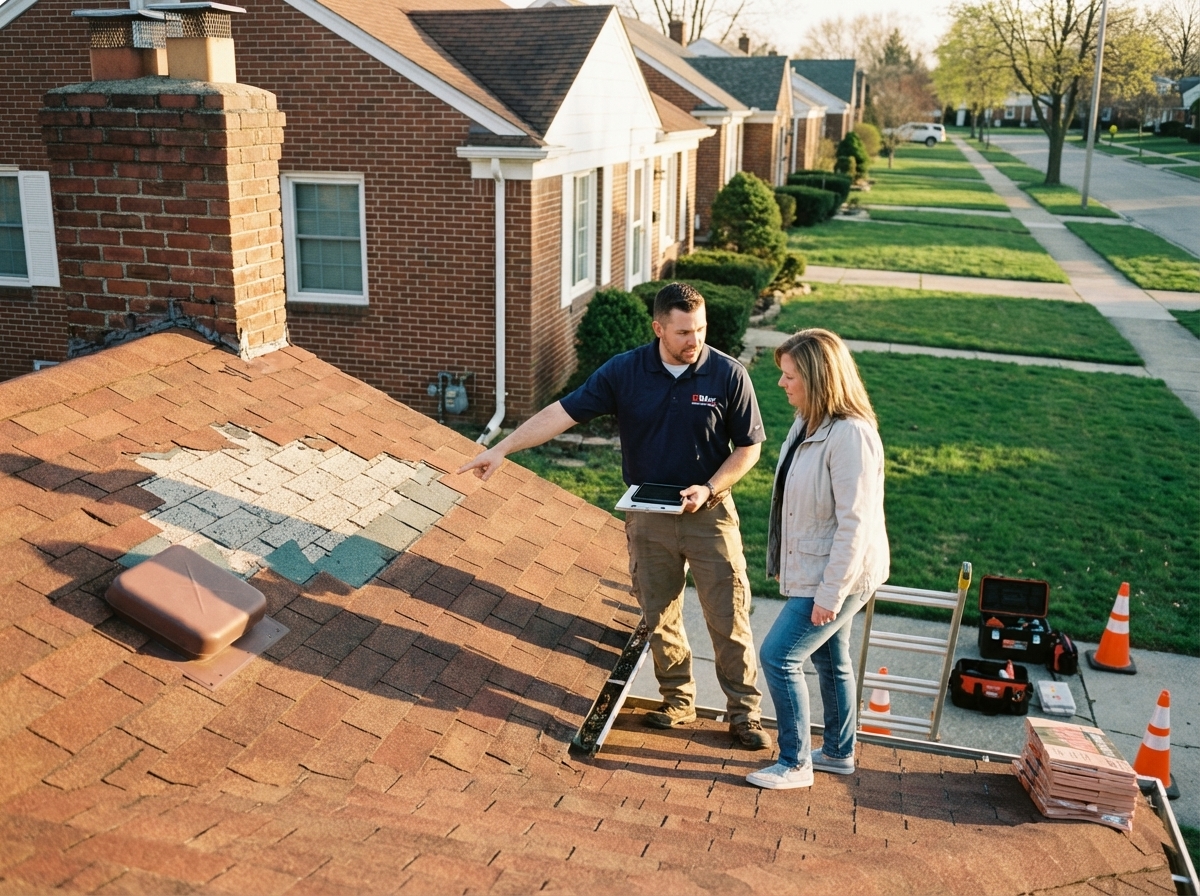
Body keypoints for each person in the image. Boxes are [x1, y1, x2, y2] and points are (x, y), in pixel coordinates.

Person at [459, 283, 771, 749]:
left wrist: (708, 488)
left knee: (728, 616)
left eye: (701, 330)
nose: (695, 341)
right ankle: (678, 702)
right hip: (647, 517)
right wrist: (502, 448)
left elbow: (749, 447)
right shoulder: (625, 372)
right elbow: (561, 413)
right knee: (658, 614)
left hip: (709, 513)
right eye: (684, 332)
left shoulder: (727, 374)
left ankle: (744, 714)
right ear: (658, 328)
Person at [746, 328, 889, 790]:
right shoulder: (808, 421)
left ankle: (794, 763)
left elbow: (856, 523)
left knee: (778, 656)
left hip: (838, 574)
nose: (782, 384)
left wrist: (830, 593)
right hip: (818, 567)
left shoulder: (851, 436)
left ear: (818, 378)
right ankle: (838, 753)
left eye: (790, 376)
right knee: (831, 660)